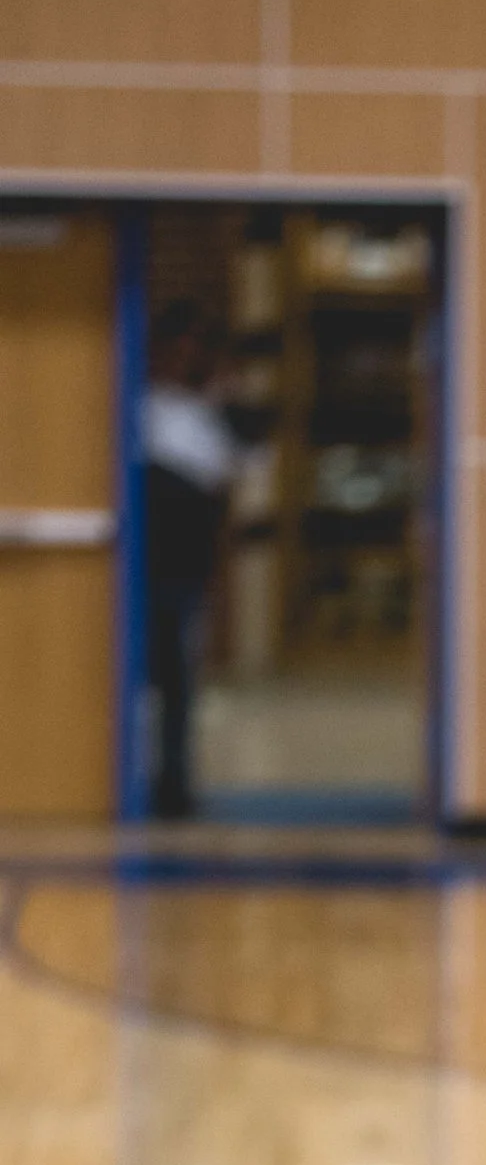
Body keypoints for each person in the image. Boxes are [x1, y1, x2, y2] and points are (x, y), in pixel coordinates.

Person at [139, 301, 239, 821]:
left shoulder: (204, 417)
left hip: (185, 571)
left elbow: (223, 478)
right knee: (141, 682)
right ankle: (131, 783)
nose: (188, 358)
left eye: (197, 350)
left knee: (179, 687)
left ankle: (173, 784)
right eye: (180, 348)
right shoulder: (137, 409)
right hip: (141, 570)